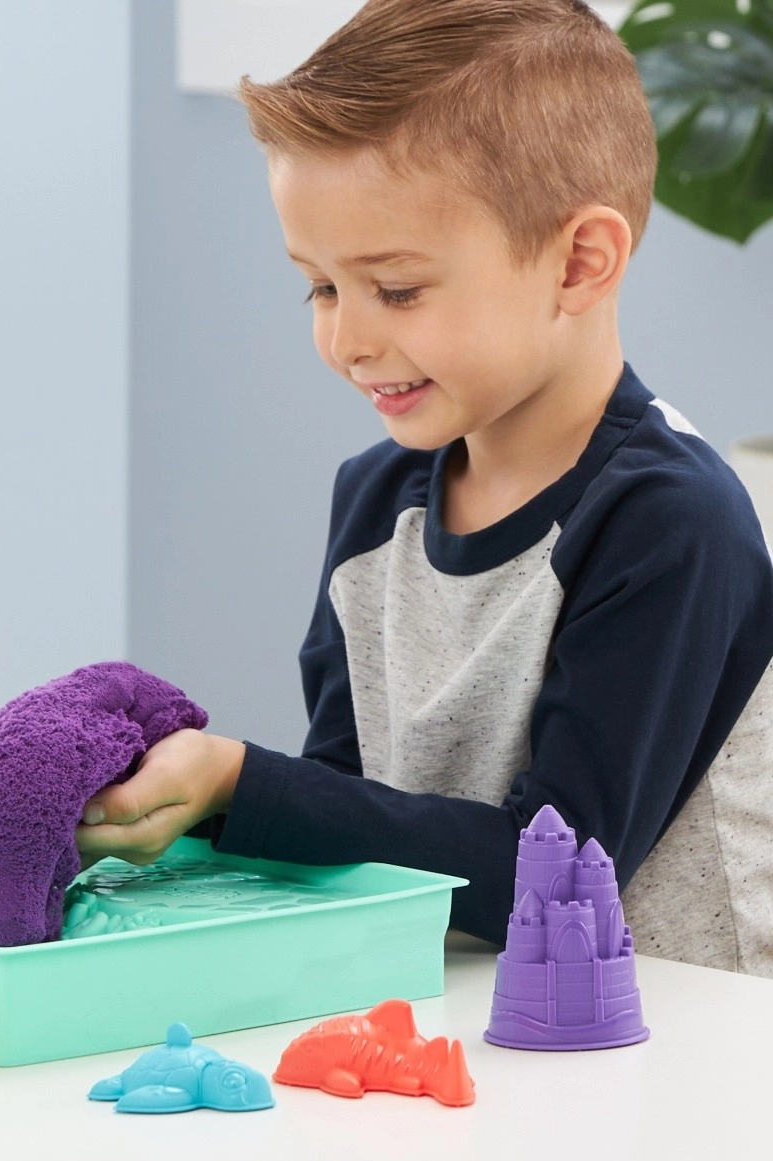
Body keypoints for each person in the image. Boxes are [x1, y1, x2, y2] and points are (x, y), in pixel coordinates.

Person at [75, 0, 773, 975]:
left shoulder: (669, 522)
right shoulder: (376, 504)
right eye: (321, 286)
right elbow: (344, 804)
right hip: (464, 1012)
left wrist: (242, 783)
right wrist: (200, 802)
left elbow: (562, 880)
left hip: (679, 1029)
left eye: (396, 290)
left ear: (580, 263)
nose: (347, 339)